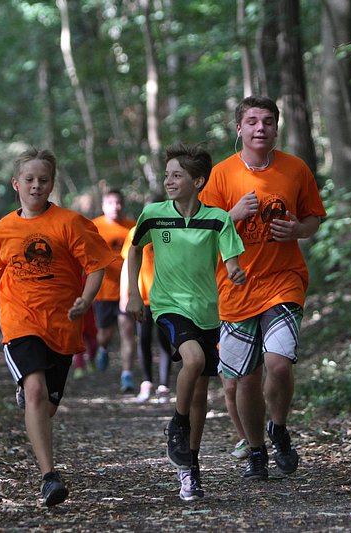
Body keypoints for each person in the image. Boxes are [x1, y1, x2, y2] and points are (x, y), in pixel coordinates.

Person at [0, 147, 114, 507]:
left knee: (46, 406)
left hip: (62, 325)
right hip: (20, 320)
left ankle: (33, 401)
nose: (36, 185)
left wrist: (86, 299)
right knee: (34, 392)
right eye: (29, 179)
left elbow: (96, 266)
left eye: (43, 180)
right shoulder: (4, 228)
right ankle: (49, 477)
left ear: (51, 184)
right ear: (16, 184)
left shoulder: (70, 223)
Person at [199, 96, 326, 480]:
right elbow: (201, 235)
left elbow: (313, 218)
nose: (260, 128)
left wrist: (298, 230)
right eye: (252, 121)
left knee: (279, 364)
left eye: (268, 121)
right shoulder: (220, 175)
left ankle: (279, 427)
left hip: (283, 280)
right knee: (246, 378)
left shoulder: (295, 169)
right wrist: (231, 215)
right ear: (239, 129)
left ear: (276, 128)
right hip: (236, 287)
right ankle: (256, 449)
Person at [126, 143, 246, 502]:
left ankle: (189, 467)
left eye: (176, 175)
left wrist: (236, 272)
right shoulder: (154, 215)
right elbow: (134, 249)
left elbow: (232, 261)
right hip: (168, 306)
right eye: (167, 175)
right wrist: (133, 294)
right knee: (192, 360)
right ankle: (176, 425)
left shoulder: (218, 219)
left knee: (199, 395)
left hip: (208, 312)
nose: (168, 181)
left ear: (198, 181)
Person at [119, 221, 172, 403]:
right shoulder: (136, 231)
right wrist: (125, 295)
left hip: (167, 298)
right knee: (144, 339)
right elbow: (128, 262)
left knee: (165, 341)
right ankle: (146, 382)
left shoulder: (171, 229)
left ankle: (164, 386)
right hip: (144, 297)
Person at [91, 189, 137, 393]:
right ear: (103, 206)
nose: (115, 207)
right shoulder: (94, 227)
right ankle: (103, 347)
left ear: (123, 205)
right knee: (105, 333)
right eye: (110, 203)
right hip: (103, 291)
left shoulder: (132, 227)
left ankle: (127, 374)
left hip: (126, 290)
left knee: (127, 330)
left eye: (118, 203)